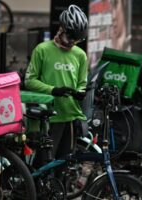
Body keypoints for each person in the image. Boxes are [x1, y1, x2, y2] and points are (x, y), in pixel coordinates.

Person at [25, 4, 88, 165]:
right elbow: (30, 81)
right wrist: (53, 90)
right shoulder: (42, 50)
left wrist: (80, 92)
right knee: (44, 164)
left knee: (64, 165)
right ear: (62, 29)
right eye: (71, 36)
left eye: (77, 38)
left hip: (71, 116)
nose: (73, 42)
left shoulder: (80, 55)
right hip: (48, 117)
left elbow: (82, 83)